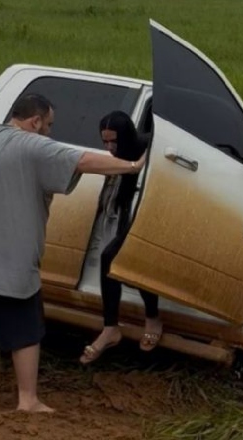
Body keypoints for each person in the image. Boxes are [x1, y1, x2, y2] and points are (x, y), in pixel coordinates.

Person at [0, 95, 145, 413]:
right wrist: (135, 166)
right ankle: (28, 400)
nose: (49, 131)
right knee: (25, 329)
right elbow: (84, 161)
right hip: (9, 259)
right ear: (34, 121)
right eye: (48, 124)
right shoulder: (34, 146)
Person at [79, 111, 163, 365]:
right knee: (115, 260)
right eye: (104, 142)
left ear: (125, 136)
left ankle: (150, 318)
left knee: (123, 259)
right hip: (129, 214)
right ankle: (111, 327)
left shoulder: (150, 145)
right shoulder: (121, 157)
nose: (109, 148)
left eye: (113, 141)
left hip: (153, 214)